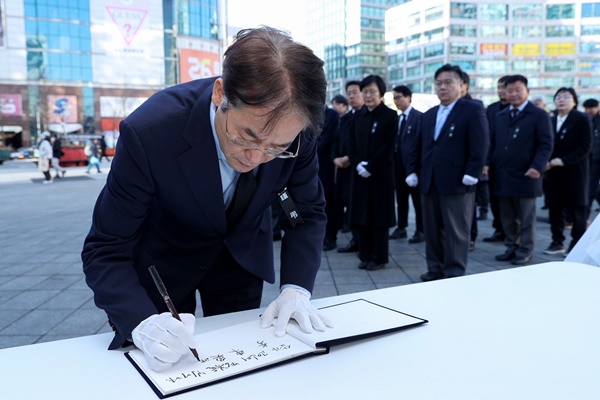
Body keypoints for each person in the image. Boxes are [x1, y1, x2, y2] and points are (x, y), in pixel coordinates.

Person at [82, 27, 333, 372]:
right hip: (162, 264)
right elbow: (105, 246)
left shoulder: (296, 133)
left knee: (242, 363)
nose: (256, 158)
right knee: (163, 360)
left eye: (277, 148)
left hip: (239, 258)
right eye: (246, 136)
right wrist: (140, 321)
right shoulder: (150, 132)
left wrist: (296, 288)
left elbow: (305, 213)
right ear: (220, 93)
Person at [406, 64, 489, 281]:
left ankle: (454, 272)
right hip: (429, 180)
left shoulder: (472, 110)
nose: (442, 87)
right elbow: (419, 146)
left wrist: (472, 172)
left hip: (458, 181)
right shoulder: (429, 114)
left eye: (448, 82)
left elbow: (480, 144)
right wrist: (412, 171)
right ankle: (435, 268)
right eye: (439, 83)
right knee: (432, 229)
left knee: (456, 231)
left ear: (461, 85)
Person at [487, 75, 553, 265]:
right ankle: (511, 246)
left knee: (526, 217)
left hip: (527, 174)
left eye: (518, 90)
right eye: (510, 90)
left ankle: (525, 249)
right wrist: (487, 163)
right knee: (507, 216)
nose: (513, 94)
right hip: (503, 173)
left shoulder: (539, 115)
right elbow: (492, 143)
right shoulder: (500, 116)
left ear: (527, 91)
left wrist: (537, 166)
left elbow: (546, 144)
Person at [347, 75, 397, 271]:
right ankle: (365, 255)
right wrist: (358, 164)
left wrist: (371, 166)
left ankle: (379, 257)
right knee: (362, 216)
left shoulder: (390, 116)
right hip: (359, 174)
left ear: (381, 93)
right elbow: (351, 144)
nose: (368, 95)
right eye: (365, 92)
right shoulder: (358, 116)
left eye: (372, 92)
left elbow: (388, 146)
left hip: (380, 175)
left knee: (379, 218)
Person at [544, 88, 592, 256]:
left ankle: (576, 244)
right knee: (555, 208)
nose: (561, 100)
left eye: (566, 97)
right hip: (553, 172)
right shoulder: (551, 119)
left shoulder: (581, 119)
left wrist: (563, 161)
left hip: (575, 171)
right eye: (558, 97)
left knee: (576, 209)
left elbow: (585, 146)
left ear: (574, 101)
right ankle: (556, 242)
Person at [389, 85, 424, 244]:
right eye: (394, 98)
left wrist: (415, 168)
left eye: (399, 97)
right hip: (398, 166)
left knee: (417, 201)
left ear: (409, 97)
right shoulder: (397, 119)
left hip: (413, 167)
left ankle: (421, 230)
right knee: (401, 200)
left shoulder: (419, 117)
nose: (396, 101)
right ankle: (401, 227)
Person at [334, 81, 364, 253]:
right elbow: (336, 141)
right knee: (346, 203)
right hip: (342, 169)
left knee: (359, 206)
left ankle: (362, 241)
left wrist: (349, 158)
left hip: (358, 169)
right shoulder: (345, 118)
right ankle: (355, 238)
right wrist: (335, 159)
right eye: (349, 93)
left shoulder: (367, 116)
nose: (351, 96)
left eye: (355, 93)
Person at [483, 76, 509, 243]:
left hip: (512, 164)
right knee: (494, 197)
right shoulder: (492, 109)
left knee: (510, 200)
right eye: (499, 87)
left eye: (504, 87)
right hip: (494, 161)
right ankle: (499, 229)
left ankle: (512, 232)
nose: (501, 91)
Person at [319, 105, 340, 251]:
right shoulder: (304, 111)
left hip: (325, 166)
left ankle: (330, 236)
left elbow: (327, 140)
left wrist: (306, 152)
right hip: (307, 166)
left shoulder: (331, 114)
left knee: (328, 202)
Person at [583, 98, 600, 214]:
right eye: (587, 108)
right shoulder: (586, 119)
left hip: (596, 157)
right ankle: (584, 216)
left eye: (591, 108)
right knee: (591, 187)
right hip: (592, 158)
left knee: (591, 187)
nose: (589, 110)